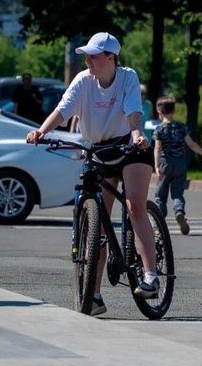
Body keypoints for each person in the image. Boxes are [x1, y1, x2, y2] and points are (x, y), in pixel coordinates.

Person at [26, 31, 158, 316]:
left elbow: (133, 111)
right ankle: (94, 295)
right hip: (100, 149)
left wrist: (137, 134)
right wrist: (41, 130)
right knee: (97, 223)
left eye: (94, 56)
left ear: (110, 57)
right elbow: (63, 110)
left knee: (135, 206)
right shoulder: (83, 81)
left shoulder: (127, 77)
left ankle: (151, 276)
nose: (88, 60)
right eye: (86, 55)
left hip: (131, 146)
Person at [152, 95, 202, 235]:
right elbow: (191, 144)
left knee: (160, 194)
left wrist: (156, 166)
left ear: (159, 112)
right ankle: (179, 212)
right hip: (180, 163)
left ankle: (159, 222)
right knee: (178, 193)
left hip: (165, 162)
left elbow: (158, 148)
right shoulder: (181, 127)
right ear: (174, 111)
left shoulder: (159, 129)